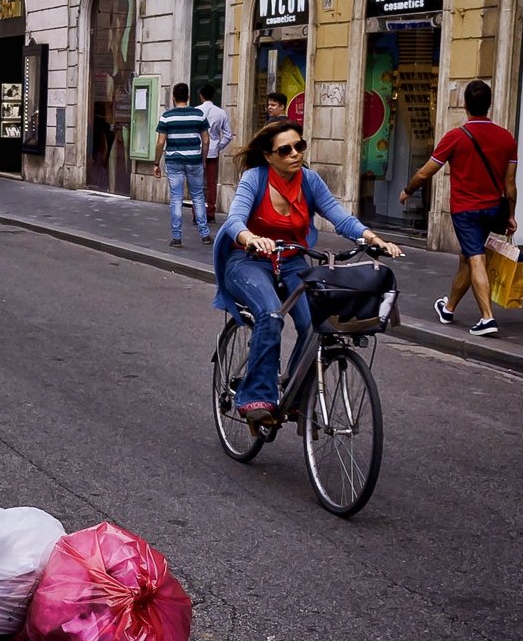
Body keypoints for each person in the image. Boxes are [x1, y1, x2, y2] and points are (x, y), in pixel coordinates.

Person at [215, 121, 401, 422]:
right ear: (269, 156)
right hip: (248, 261)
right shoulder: (254, 178)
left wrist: (373, 239)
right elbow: (235, 220)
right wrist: (251, 238)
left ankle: (298, 393)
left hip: (292, 261)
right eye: (285, 149)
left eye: (299, 146)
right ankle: (257, 397)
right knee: (271, 314)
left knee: (318, 322)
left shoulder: (309, 181)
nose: (294, 154)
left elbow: (340, 217)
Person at [399, 79, 515, 337]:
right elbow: (510, 184)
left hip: (466, 210)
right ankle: (448, 308)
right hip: (493, 208)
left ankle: (487, 317)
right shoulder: (506, 137)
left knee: (475, 259)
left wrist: (408, 190)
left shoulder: (456, 136)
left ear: (465, 105)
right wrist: (511, 215)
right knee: (467, 258)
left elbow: (426, 172)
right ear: (489, 104)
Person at [155, 82, 213, 248]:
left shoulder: (167, 116)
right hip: (195, 160)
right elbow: (206, 140)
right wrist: (203, 158)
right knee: (198, 197)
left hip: (174, 162)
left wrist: (156, 163)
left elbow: (160, 143)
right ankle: (205, 234)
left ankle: (177, 237)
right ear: (188, 97)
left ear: (173, 97)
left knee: (176, 198)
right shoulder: (199, 114)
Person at [198, 83, 234, 223]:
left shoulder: (196, 111)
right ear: (213, 96)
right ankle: (210, 212)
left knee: (197, 183)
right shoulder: (221, 112)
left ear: (201, 96)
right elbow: (228, 135)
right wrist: (219, 146)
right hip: (213, 151)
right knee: (211, 182)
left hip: (197, 150)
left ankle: (197, 213)